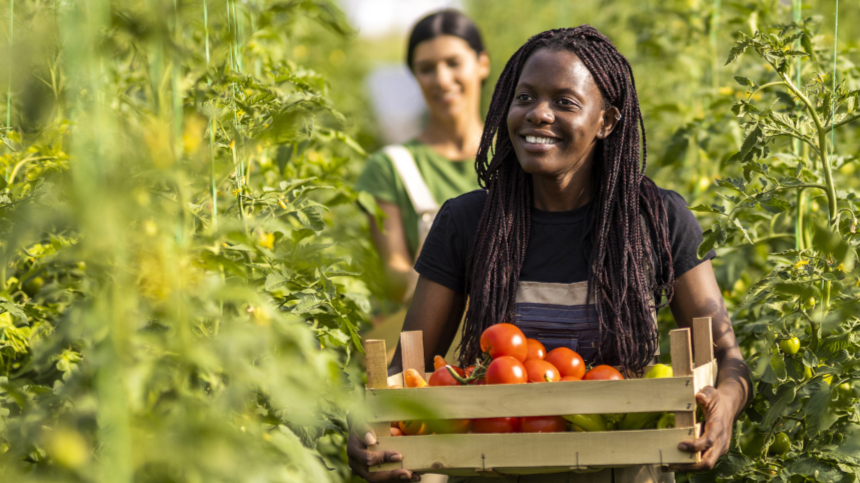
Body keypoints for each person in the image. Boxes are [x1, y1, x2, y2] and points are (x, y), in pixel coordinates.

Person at [348, 25, 751, 483]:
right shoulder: (468, 222)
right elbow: (408, 368)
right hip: (491, 470)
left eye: (565, 102)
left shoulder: (655, 221)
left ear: (607, 121)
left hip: (626, 470)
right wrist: (368, 422)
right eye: (524, 97)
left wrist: (726, 406)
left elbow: (726, 355)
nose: (538, 114)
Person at [357, 9, 490, 304]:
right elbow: (394, 272)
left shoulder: (517, 156)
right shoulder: (391, 167)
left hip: (519, 339)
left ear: (482, 64)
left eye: (453, 63)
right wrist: (422, 272)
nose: (442, 79)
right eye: (427, 68)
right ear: (415, 76)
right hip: (434, 336)